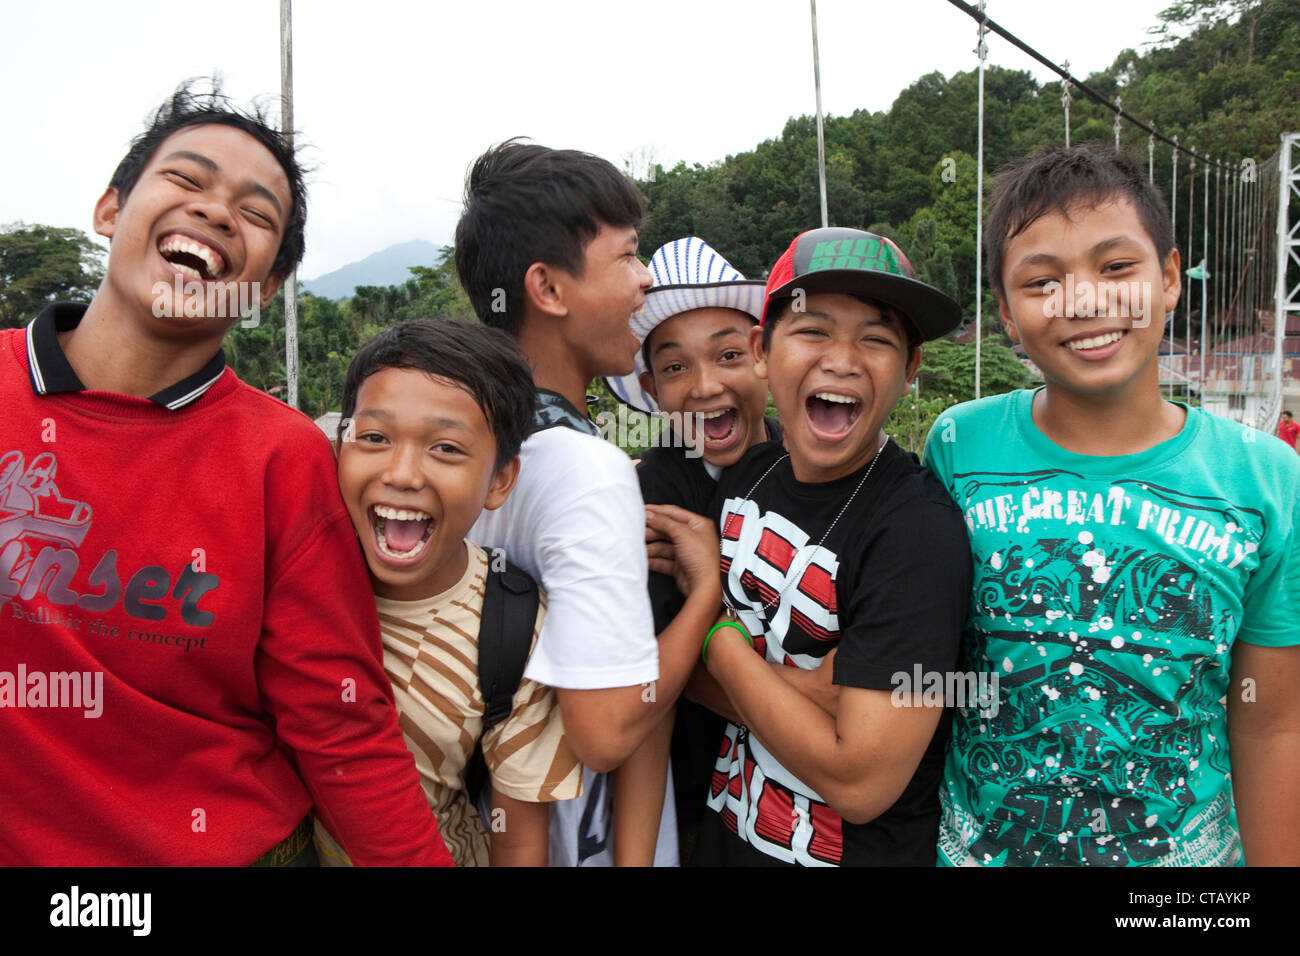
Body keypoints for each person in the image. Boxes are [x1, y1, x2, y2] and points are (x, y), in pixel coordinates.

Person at [0, 81, 450, 866]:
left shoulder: (282, 457)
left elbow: (337, 719)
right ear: (110, 210)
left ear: (266, 286)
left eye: (256, 212)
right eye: (186, 178)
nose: (214, 210)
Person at [924, 143, 1300, 866]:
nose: (1084, 300)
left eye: (1117, 267)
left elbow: (1270, 723)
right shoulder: (957, 445)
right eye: (1041, 281)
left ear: (1169, 279)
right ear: (1004, 314)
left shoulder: (1265, 479)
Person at [454, 141, 722, 866]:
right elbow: (605, 729)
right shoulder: (589, 470)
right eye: (629, 258)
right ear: (547, 289)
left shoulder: (471, 451)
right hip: (585, 836)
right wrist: (706, 598)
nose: (645, 283)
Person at [677, 226, 973, 866]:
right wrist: (815, 691)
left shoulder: (918, 534)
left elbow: (861, 782)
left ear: (910, 368)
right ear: (762, 349)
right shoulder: (744, 476)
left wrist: (717, 637)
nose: (842, 359)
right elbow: (669, 680)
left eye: (876, 338)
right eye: (813, 331)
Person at [314, 319, 583, 866]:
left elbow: (519, 837)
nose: (403, 473)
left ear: (501, 481)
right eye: (374, 438)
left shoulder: (512, 627)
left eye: (445, 447)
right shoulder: (290, 574)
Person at [605, 236, 778, 863]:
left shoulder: (811, 469)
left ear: (763, 355)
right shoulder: (649, 501)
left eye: (728, 354)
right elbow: (658, 684)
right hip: (695, 804)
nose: (706, 386)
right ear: (650, 385)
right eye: (675, 367)